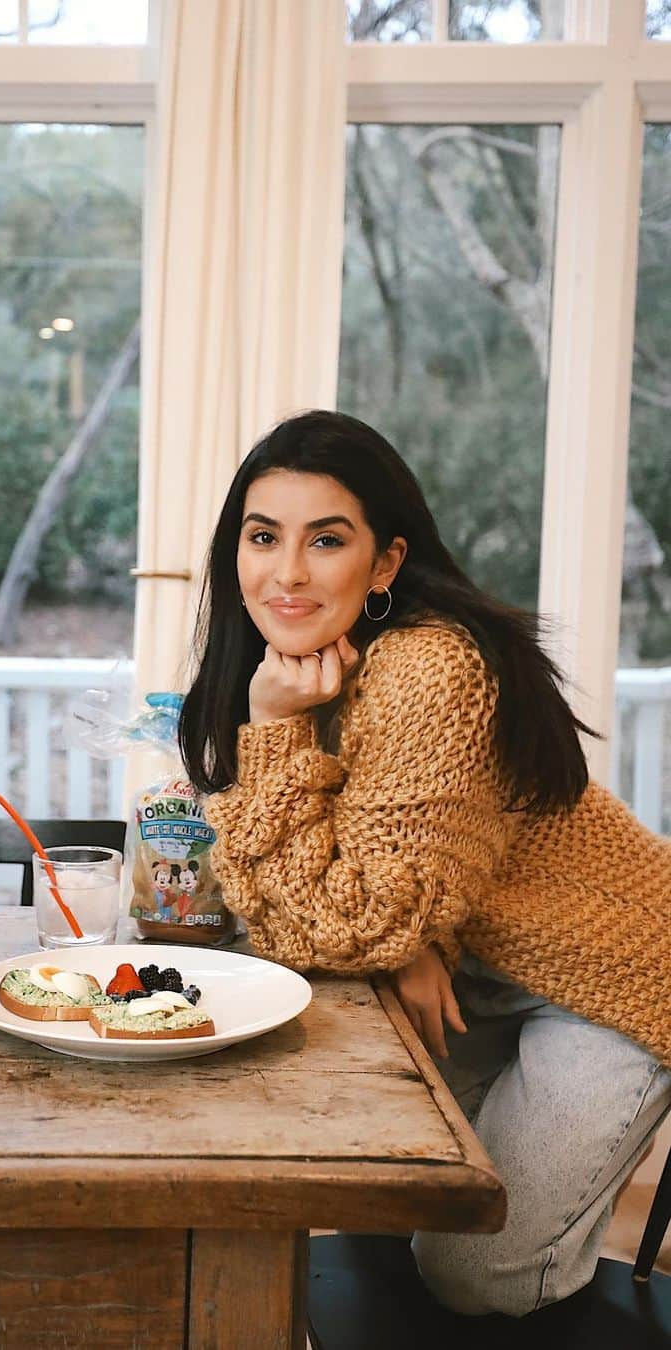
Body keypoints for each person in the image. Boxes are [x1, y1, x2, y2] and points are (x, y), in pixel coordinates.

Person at [179, 409, 670, 1318]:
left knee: (476, 1274)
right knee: (355, 1168)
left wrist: (392, 933)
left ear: (387, 562)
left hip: (612, 976)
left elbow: (349, 918)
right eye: (262, 536)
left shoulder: (428, 669)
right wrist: (404, 937)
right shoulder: (297, 665)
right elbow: (295, 911)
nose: (285, 573)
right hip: (475, 962)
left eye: (326, 540)